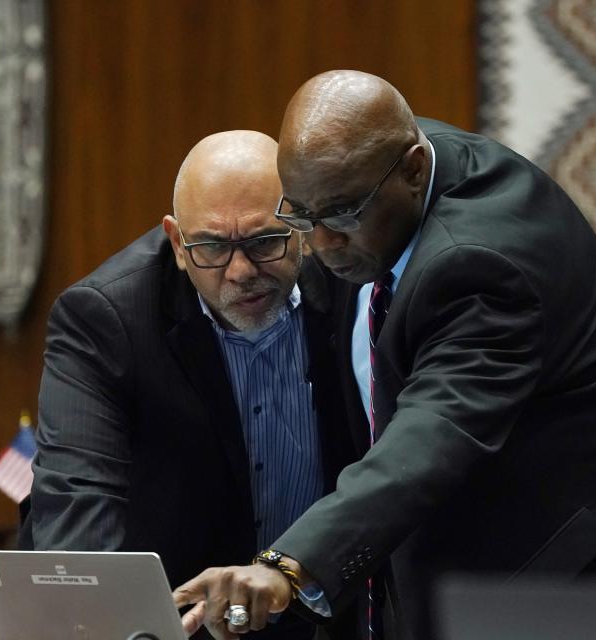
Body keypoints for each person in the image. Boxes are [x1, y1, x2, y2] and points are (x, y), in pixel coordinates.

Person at [173, 71, 596, 640]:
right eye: (301, 215)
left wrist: (288, 565)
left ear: (413, 170)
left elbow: (432, 433)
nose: (321, 244)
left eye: (342, 215)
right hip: (503, 555)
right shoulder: (368, 176)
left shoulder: (482, 266)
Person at [23, 130, 357, 639]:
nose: (240, 270)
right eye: (212, 247)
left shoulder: (353, 284)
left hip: (328, 610)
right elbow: (77, 498)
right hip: (178, 623)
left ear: (302, 227)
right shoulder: (106, 317)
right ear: (178, 242)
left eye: (264, 241)